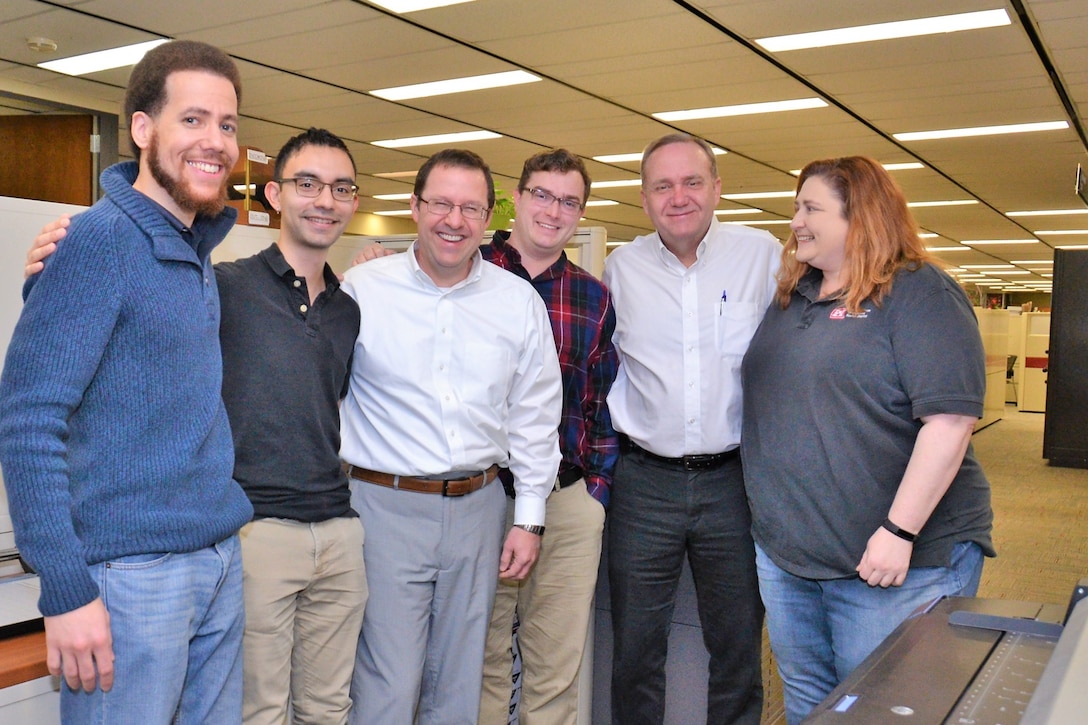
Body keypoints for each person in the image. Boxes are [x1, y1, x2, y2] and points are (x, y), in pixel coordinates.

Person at [25, 128, 370, 725]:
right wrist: (45, 276)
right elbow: (89, 353)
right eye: (307, 184)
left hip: (334, 527)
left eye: (341, 188)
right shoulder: (223, 282)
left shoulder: (349, 308)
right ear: (274, 195)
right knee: (257, 712)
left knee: (329, 708)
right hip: (249, 531)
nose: (325, 200)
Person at [0, 40, 254, 722]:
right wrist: (64, 586)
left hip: (216, 558)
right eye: (193, 120)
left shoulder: (194, 248)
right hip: (130, 577)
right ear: (143, 129)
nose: (216, 141)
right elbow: (27, 419)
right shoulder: (98, 241)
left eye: (227, 125)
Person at [740, 156, 995, 725]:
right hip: (791, 559)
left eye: (811, 208)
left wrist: (899, 530)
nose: (795, 221)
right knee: (810, 704)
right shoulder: (794, 297)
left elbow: (950, 422)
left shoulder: (918, 293)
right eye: (795, 207)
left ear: (862, 217)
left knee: (886, 711)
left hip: (889, 563)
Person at [339, 148, 563, 725]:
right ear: (414, 207)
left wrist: (529, 517)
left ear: (490, 218)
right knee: (386, 684)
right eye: (440, 203)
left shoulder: (517, 303)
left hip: (480, 510)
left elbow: (535, 418)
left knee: (460, 685)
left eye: (471, 207)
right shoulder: (363, 290)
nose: (454, 220)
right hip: (383, 509)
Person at [603, 133, 779, 724]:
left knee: (736, 649)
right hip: (643, 484)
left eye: (692, 182)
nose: (678, 197)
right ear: (645, 198)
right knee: (634, 652)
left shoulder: (764, 256)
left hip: (733, 484)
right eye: (662, 186)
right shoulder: (620, 268)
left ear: (717, 189)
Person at [477, 150, 618, 724]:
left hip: (564, 499)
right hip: (482, 498)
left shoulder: (592, 296)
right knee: (478, 660)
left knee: (554, 664)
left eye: (568, 200)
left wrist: (596, 490)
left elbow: (602, 399)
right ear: (517, 196)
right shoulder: (470, 267)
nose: (553, 210)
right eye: (542, 194)